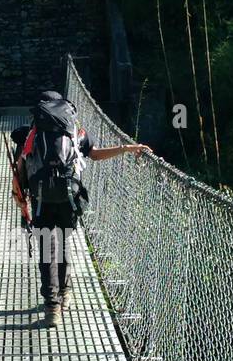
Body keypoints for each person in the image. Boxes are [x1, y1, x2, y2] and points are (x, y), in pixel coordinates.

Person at [11, 91, 147, 328]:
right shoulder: (75, 130)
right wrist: (126, 148)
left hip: (41, 199)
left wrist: (20, 200)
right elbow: (94, 155)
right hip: (68, 197)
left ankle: (52, 306)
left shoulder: (31, 133)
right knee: (63, 244)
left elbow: (20, 168)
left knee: (47, 250)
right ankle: (64, 294)